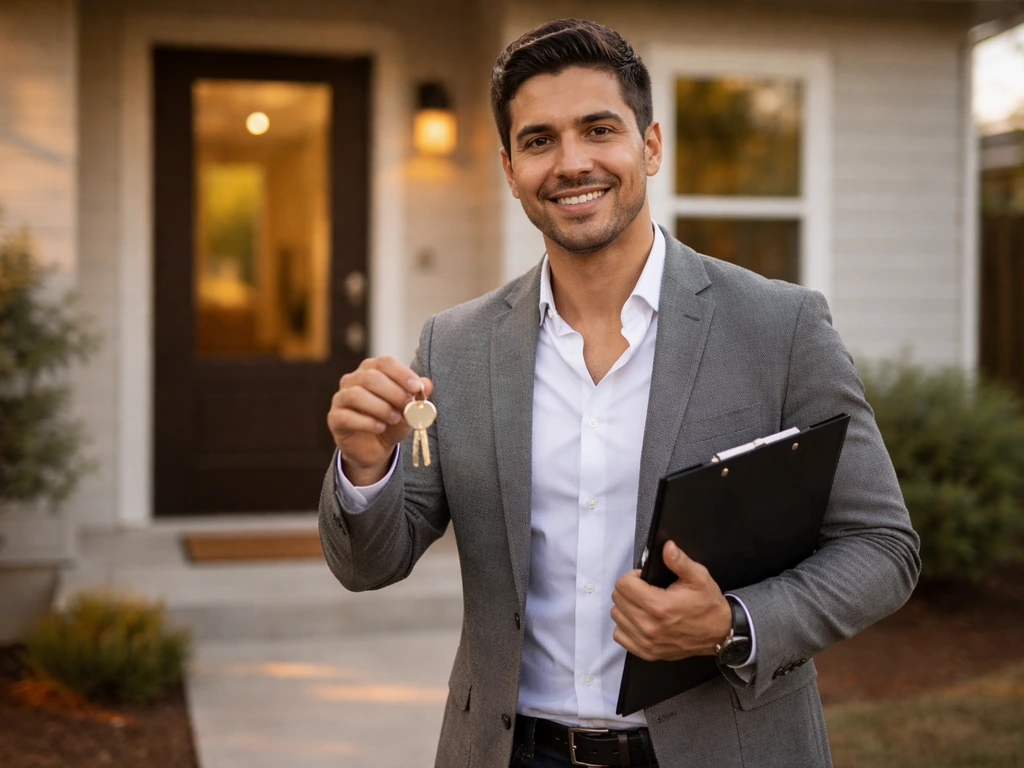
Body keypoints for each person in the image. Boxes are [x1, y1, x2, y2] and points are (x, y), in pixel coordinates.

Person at [319, 18, 919, 768]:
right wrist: (365, 469)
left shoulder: (780, 326)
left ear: (651, 146)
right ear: (510, 170)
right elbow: (369, 563)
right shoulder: (457, 346)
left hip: (724, 748)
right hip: (510, 751)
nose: (572, 163)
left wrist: (731, 623)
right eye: (539, 141)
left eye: (598, 129)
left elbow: (882, 546)